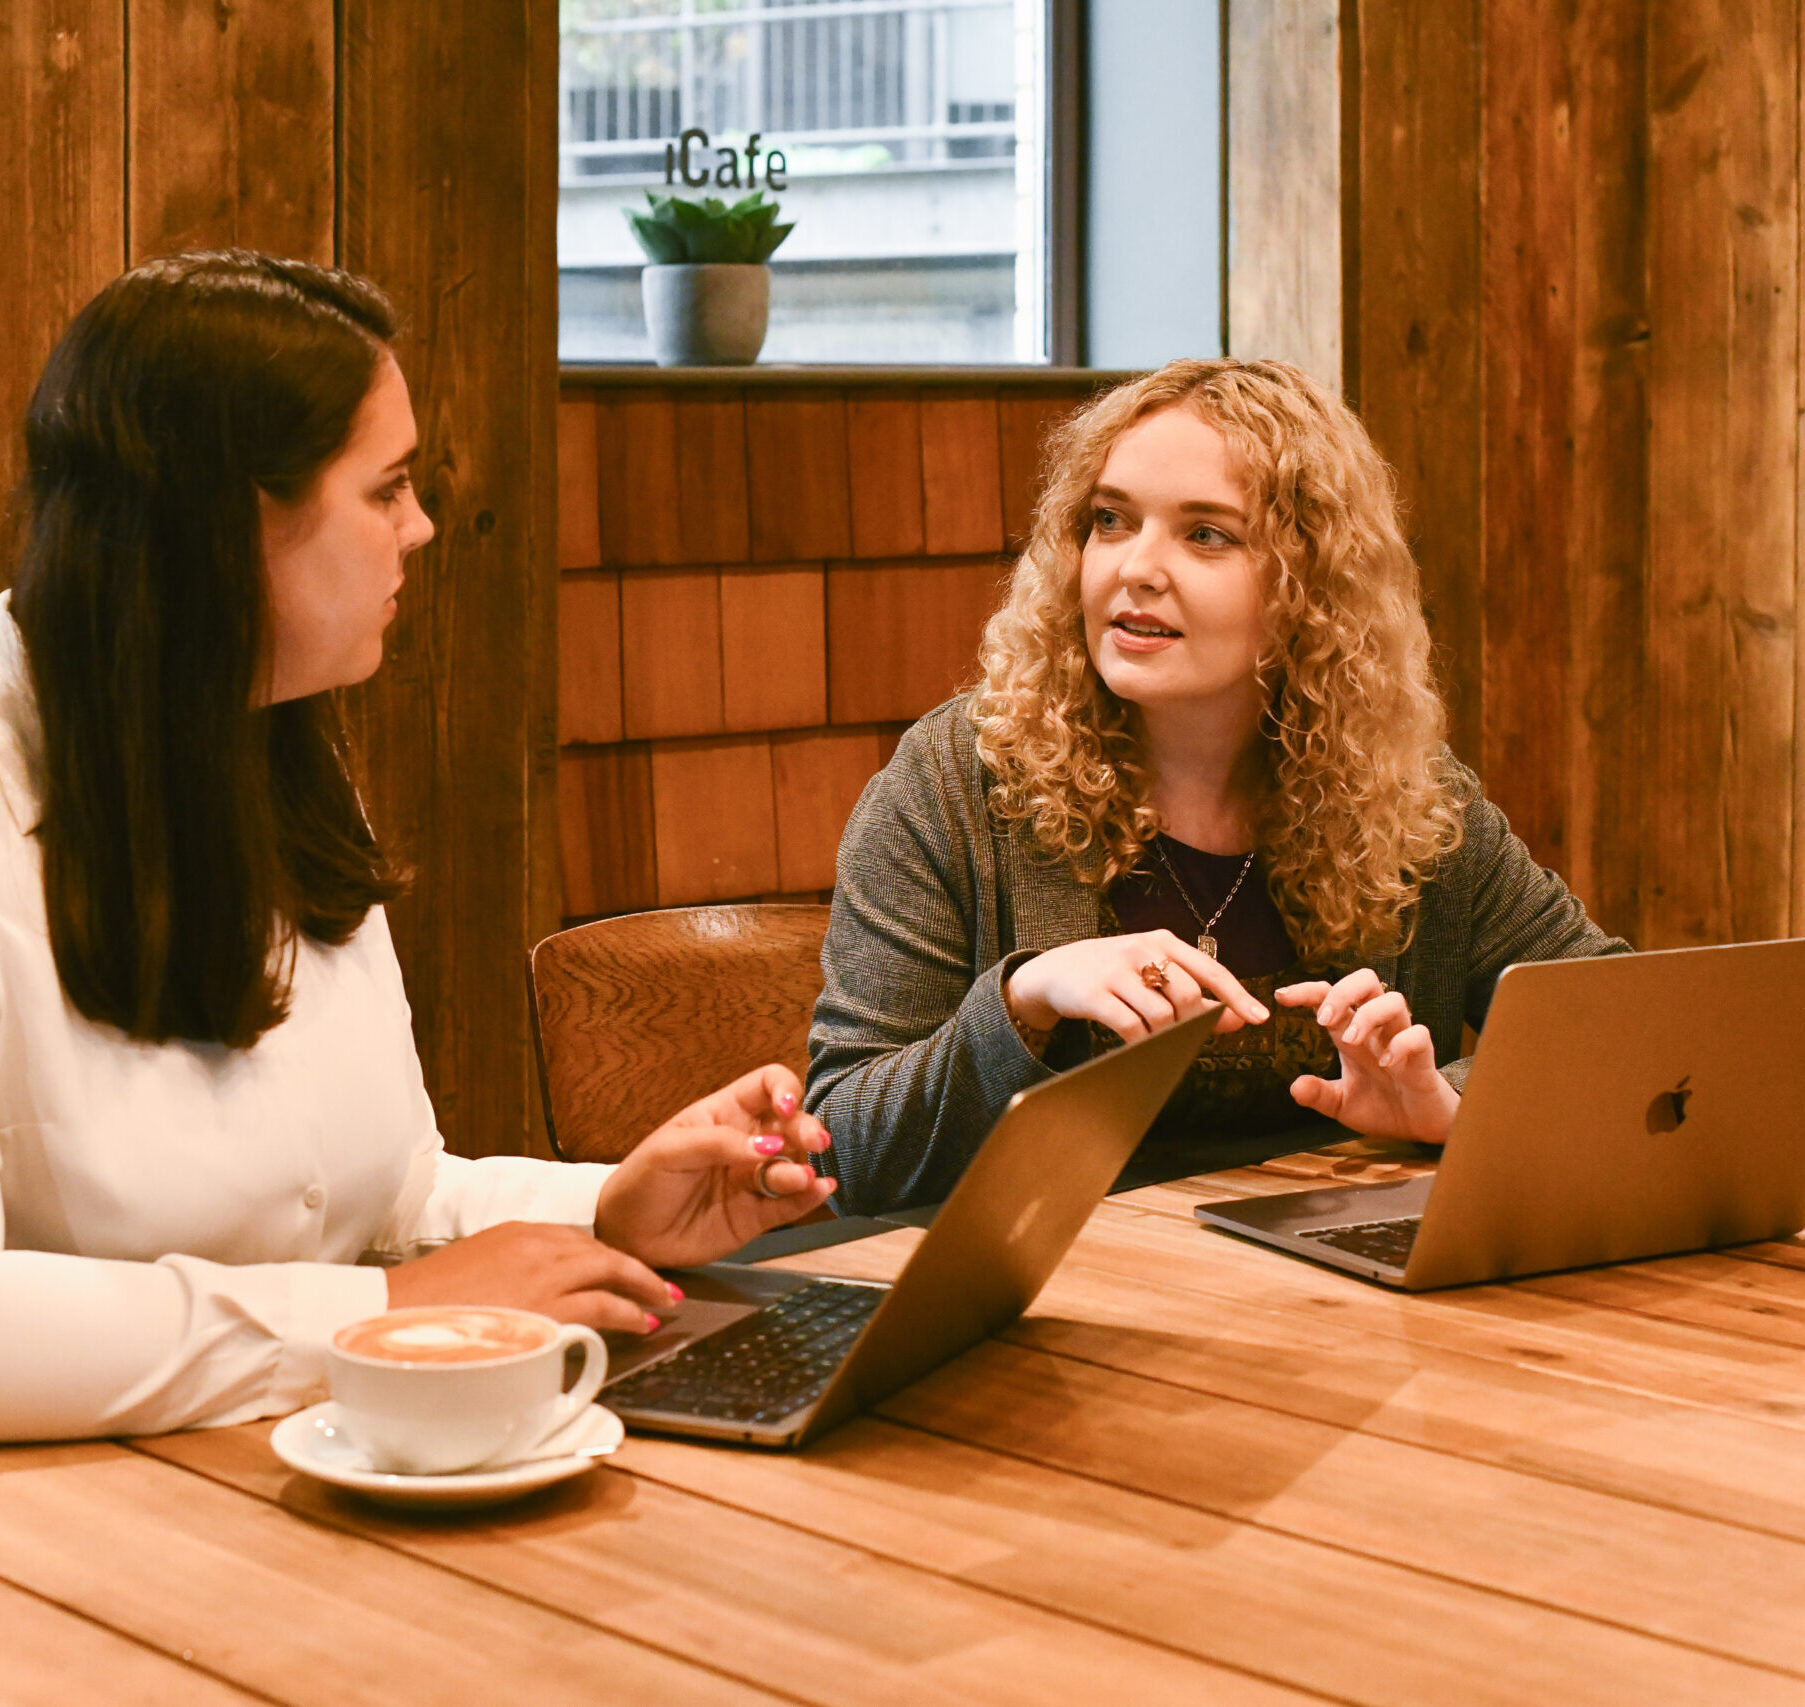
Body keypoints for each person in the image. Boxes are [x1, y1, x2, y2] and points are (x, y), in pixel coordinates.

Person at [0, 251, 834, 1441]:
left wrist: (608, 1210)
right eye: (385, 489)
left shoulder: (277, 740)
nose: (425, 527)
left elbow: (381, 1198)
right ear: (229, 521)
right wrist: (368, 1314)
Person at [806, 357, 1629, 1215]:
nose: (1135, 568)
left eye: (1206, 534)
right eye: (1110, 520)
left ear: (1310, 589)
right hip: (1055, 1300)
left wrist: (1449, 1104)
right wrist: (1024, 1002)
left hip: (1328, 1299)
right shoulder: (952, 782)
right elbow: (848, 1158)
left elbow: (1617, 1029)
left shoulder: (1408, 795)